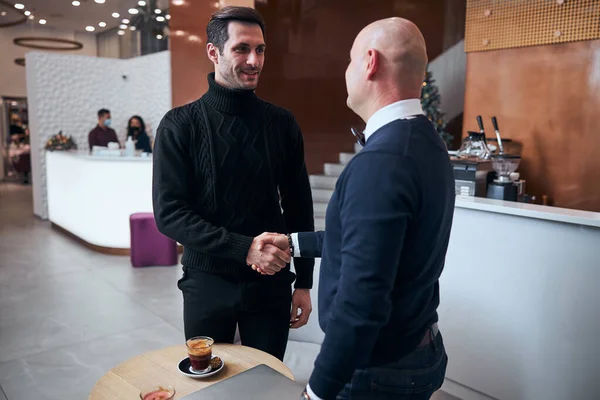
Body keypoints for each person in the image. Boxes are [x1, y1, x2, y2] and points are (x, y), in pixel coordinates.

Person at [254, 17, 455, 400]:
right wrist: (294, 242)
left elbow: (360, 304)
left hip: (377, 371)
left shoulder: (384, 161)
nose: (345, 72)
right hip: (418, 347)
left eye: (349, 61)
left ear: (370, 62)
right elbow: (376, 246)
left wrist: (317, 392)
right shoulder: (425, 140)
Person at [152, 6, 315, 361]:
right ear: (214, 52)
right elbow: (170, 214)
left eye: (260, 49)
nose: (254, 60)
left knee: (266, 381)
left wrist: (303, 281)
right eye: (242, 48)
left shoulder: (282, 123)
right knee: (210, 386)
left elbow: (299, 204)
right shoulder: (180, 125)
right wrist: (245, 248)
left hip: (270, 282)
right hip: (206, 281)